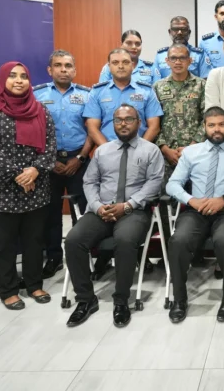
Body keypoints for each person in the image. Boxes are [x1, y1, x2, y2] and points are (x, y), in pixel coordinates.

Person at [64, 105, 164, 328]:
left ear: (139, 122)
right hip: (102, 210)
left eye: (129, 119)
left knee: (125, 240)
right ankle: (85, 299)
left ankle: (121, 301)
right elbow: (90, 182)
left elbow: (154, 183)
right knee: (73, 240)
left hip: (134, 211)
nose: (123, 124)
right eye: (118, 120)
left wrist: (128, 205)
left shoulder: (150, 150)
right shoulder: (102, 151)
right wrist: (98, 206)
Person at [0, 62, 56, 310]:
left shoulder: (40, 110)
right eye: (12, 76)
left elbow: (50, 146)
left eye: (23, 77)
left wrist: (35, 171)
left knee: (34, 241)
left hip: (36, 187)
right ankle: (8, 289)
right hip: (1, 189)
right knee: (3, 243)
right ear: (3, 79)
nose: (18, 81)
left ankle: (34, 284)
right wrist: (20, 176)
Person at [167, 107, 224, 324]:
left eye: (221, 124)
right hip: (196, 209)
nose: (217, 129)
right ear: (204, 127)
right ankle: (179, 300)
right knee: (178, 240)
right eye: (212, 125)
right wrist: (191, 200)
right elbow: (172, 184)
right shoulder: (191, 153)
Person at [33, 50, 93, 279]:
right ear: (50, 70)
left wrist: (81, 158)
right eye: (58, 65)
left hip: (79, 159)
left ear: (74, 70)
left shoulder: (87, 95)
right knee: (50, 213)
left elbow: (92, 129)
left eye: (68, 65)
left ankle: (83, 256)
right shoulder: (37, 95)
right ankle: (54, 257)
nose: (63, 69)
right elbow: (33, 131)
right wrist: (50, 161)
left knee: (83, 210)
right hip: (48, 161)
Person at [84, 49, 163, 146]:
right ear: (109, 66)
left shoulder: (146, 91)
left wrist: (140, 149)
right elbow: (92, 128)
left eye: (125, 62)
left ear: (132, 65)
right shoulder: (97, 92)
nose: (121, 66)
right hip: (107, 148)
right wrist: (107, 150)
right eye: (115, 62)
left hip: (140, 149)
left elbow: (154, 126)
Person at [153, 44, 206, 186]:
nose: (178, 62)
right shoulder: (158, 87)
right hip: (166, 157)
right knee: (167, 196)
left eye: (182, 58)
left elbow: (207, 119)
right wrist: (164, 149)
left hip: (196, 154)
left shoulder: (201, 85)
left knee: (197, 196)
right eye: (173, 58)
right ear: (167, 61)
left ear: (190, 61)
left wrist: (192, 147)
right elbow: (153, 122)